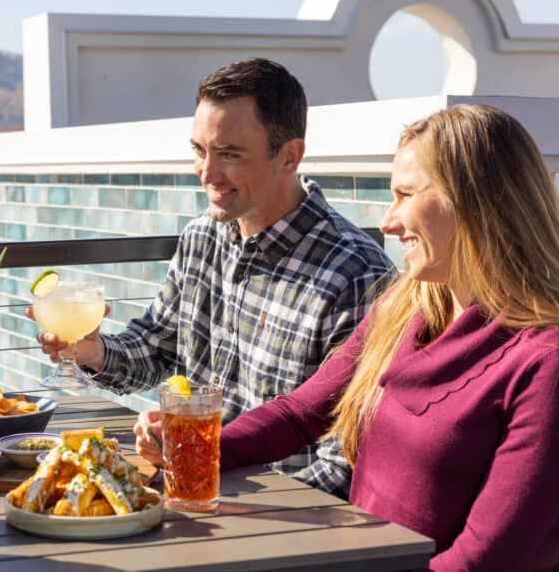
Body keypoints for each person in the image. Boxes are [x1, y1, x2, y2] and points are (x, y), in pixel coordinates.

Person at [216, 104, 559, 570]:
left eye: (405, 195)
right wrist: (193, 447)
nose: (387, 221)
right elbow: (300, 414)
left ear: (474, 201)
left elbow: (487, 559)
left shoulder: (543, 363)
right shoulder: (403, 306)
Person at [38, 58, 394, 496]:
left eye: (229, 154)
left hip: (282, 527)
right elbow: (154, 349)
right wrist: (93, 351)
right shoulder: (201, 237)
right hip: (187, 496)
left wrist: (221, 490)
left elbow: (345, 464)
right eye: (199, 150)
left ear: (289, 156)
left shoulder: (356, 274)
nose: (207, 173)